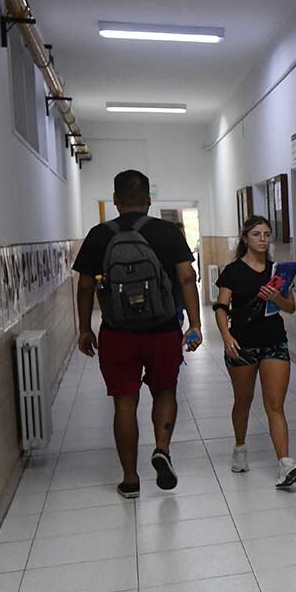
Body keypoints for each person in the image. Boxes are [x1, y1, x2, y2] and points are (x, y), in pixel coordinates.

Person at [73, 169, 203, 498]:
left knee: (124, 403)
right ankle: (161, 448)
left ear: (115, 200)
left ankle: (130, 479)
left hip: (118, 333)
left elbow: (86, 286)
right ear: (149, 199)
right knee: (165, 391)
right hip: (162, 330)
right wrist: (195, 324)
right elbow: (187, 278)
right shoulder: (167, 232)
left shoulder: (98, 234)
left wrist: (85, 328)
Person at [214, 216, 296, 488]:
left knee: (275, 405)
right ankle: (240, 447)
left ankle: (285, 463)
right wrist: (226, 336)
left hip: (274, 341)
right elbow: (221, 308)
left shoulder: (279, 272)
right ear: (245, 238)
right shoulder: (233, 271)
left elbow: (291, 308)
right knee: (243, 400)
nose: (263, 239)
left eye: (267, 234)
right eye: (256, 234)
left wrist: (277, 297)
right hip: (242, 342)